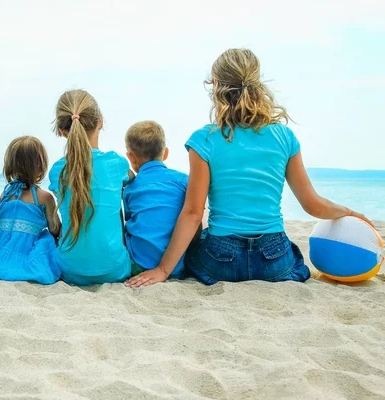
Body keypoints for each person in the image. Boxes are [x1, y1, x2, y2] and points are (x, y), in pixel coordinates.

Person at [127, 48, 373, 287]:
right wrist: (349, 212)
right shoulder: (284, 137)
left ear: (215, 87)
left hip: (221, 260)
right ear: (257, 84)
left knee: (198, 244)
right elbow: (311, 204)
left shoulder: (204, 139)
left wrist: (162, 270)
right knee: (293, 255)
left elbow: (192, 213)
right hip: (273, 258)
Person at [49, 89, 133, 285]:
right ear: (100, 122)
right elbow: (131, 178)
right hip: (115, 269)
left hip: (69, 270)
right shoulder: (117, 163)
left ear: (62, 131)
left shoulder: (57, 171)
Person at [0, 136, 61, 284]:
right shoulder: (44, 197)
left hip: (1, 250)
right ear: (41, 165)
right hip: (26, 250)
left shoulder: (5, 194)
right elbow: (54, 229)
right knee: (47, 238)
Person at [123, 121, 192, 279]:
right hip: (178, 265)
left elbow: (130, 219)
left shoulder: (131, 187)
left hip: (139, 264)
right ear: (165, 153)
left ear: (130, 157)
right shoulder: (184, 181)